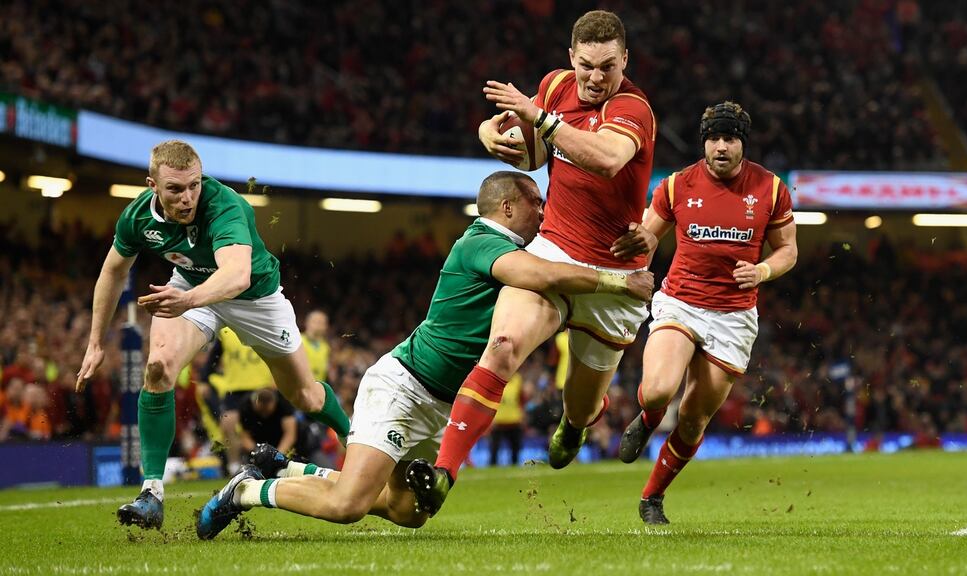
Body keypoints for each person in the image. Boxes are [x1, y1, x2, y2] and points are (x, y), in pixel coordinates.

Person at [194, 171, 653, 539]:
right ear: (508, 206)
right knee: (347, 506)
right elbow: (543, 275)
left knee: (408, 511)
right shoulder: (482, 242)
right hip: (406, 387)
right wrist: (616, 282)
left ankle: (292, 468)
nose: (544, 209)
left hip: (442, 404)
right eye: (536, 201)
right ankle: (246, 491)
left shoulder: (510, 244)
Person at [407, 9, 657, 515]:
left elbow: (605, 158)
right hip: (553, 252)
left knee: (582, 406)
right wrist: (490, 135)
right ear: (571, 57)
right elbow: (538, 155)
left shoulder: (633, 107)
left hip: (614, 281)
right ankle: (444, 473)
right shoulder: (556, 86)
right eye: (586, 65)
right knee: (501, 346)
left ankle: (576, 422)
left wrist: (538, 115)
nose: (595, 77)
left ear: (625, 60)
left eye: (608, 65)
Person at [75, 140, 350, 530]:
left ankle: (353, 438)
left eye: (194, 185)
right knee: (157, 367)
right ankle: (151, 493)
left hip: (255, 297)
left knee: (303, 395)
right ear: (152, 185)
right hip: (192, 289)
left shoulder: (224, 206)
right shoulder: (137, 216)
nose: (187, 198)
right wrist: (95, 343)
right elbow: (113, 272)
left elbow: (236, 276)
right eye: (175, 189)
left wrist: (186, 300)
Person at [616, 101, 798, 524]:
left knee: (695, 418)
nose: (721, 146)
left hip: (733, 317)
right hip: (681, 301)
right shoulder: (677, 185)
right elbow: (648, 235)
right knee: (660, 390)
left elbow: (789, 249)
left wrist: (764, 269)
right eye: (714, 138)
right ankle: (648, 418)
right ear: (704, 143)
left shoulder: (769, 189)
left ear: (742, 144)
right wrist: (634, 240)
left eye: (729, 138)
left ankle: (652, 498)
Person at [204, 327, 276, 472]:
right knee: (227, 424)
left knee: (262, 425)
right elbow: (213, 358)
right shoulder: (226, 333)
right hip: (235, 387)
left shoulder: (262, 327)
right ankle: (234, 466)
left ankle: (267, 460)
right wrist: (203, 380)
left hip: (260, 386)